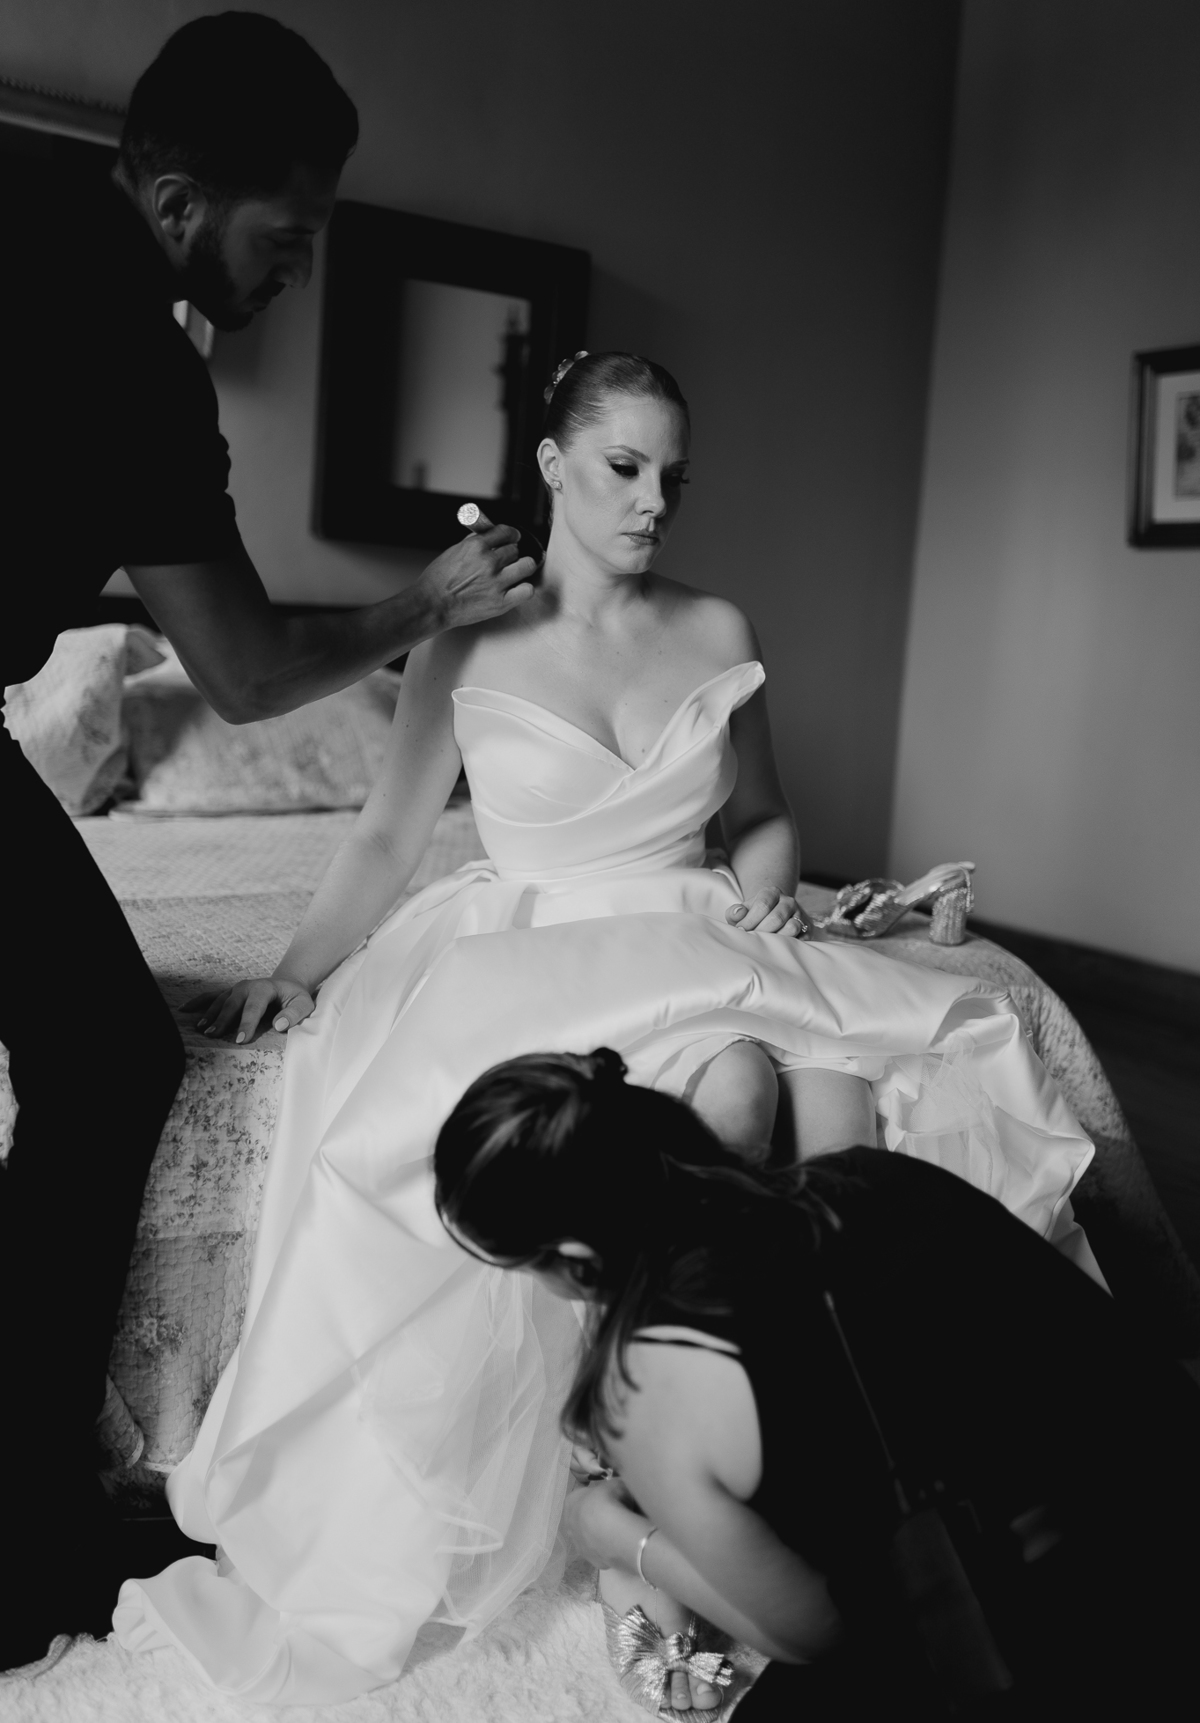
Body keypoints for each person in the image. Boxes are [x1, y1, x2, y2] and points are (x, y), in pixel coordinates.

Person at [113, 350, 1099, 1703]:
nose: (652, 503)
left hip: (697, 923)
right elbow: (389, 836)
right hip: (540, 941)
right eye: (625, 468)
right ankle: (633, 1461)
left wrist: (768, 895)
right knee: (681, 1109)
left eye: (672, 478)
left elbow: (763, 817)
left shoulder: (718, 623)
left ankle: (777, 1447)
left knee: (789, 1101)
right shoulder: (464, 640)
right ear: (553, 464)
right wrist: (296, 970)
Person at [0, 12, 537, 1673]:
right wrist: (422, 602)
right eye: (286, 235)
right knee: (111, 1057)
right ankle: (14, 1523)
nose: (298, 272)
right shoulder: (133, 360)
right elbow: (237, 671)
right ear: (177, 203)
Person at [435, 1048, 1200, 1720]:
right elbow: (1103, 1345)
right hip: (1164, 1509)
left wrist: (621, 1538)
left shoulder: (645, 1396)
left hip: (1033, 1644)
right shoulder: (875, 1174)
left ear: (575, 1256)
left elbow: (811, 1632)